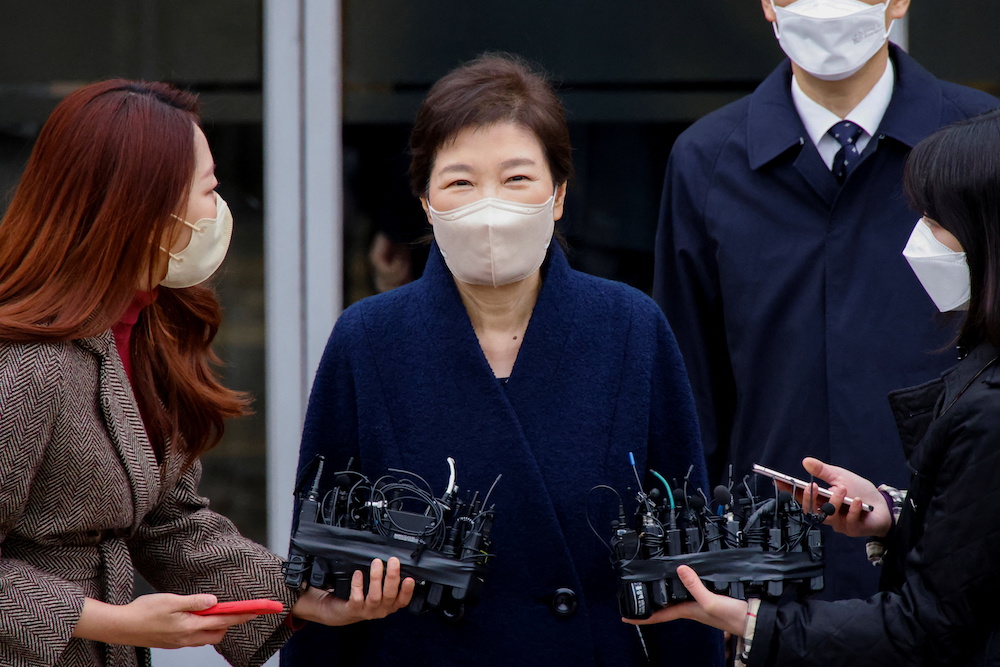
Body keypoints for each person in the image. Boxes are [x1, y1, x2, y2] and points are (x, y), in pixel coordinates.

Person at [282, 53, 724, 667]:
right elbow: (319, 571)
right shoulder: (368, 339)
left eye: (516, 178)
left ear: (559, 194)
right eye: (460, 182)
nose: (489, 206)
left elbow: (682, 555)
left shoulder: (630, 327)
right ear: (426, 202)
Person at [0, 80, 414, 667]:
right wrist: (113, 623)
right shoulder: (26, 361)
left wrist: (301, 595)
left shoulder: (149, 324)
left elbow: (170, 523)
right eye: (209, 189)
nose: (219, 209)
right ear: (142, 205)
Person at [653, 0, 999, 601]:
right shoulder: (706, 159)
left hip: (956, 556)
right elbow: (688, 394)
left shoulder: (981, 142)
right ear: (768, 4)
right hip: (769, 565)